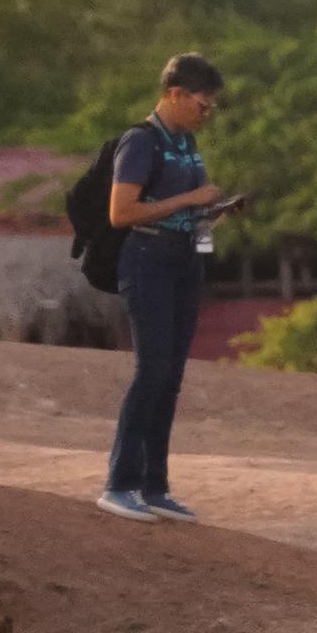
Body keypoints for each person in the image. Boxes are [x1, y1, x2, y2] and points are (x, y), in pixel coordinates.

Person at [99, 53, 241, 524]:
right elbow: (121, 213)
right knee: (151, 370)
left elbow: (188, 208)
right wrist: (188, 199)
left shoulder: (186, 144)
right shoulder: (141, 142)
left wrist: (213, 210)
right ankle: (120, 483)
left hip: (184, 258)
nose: (206, 115)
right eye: (202, 105)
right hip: (147, 259)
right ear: (175, 94)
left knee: (172, 376)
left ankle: (154, 485)